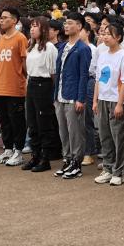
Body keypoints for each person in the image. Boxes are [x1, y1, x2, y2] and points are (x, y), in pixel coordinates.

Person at [92, 22, 124, 186]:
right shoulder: (102, 55)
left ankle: (119, 171)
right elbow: (98, 80)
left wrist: (119, 104)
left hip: (117, 100)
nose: (105, 37)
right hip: (103, 99)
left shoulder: (123, 56)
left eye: (109, 34)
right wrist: (95, 100)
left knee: (118, 137)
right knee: (105, 136)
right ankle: (108, 168)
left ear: (118, 37)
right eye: (103, 34)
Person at [54, 12, 93, 179]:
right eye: (65, 23)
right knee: (63, 131)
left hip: (73, 96)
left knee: (75, 131)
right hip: (60, 95)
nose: (66, 26)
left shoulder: (83, 48)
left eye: (70, 23)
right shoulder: (62, 46)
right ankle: (67, 159)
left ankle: (76, 163)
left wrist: (80, 98)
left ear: (79, 26)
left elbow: (84, 75)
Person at [0, 7, 28, 166]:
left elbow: (25, 63)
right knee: (4, 121)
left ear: (14, 20)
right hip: (0, 87)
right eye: (0, 17)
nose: (1, 20)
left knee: (16, 121)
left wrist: (26, 80)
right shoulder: (0, 38)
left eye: (5, 17)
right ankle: (8, 150)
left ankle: (18, 151)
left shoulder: (20, 38)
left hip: (15, 88)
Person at [22, 15, 59, 172]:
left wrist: (52, 93)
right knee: (32, 122)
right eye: (31, 26)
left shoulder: (49, 48)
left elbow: (53, 73)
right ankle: (35, 155)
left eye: (35, 26)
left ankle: (45, 158)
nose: (32, 29)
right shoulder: (31, 46)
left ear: (43, 29)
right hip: (31, 84)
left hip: (43, 85)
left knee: (44, 122)